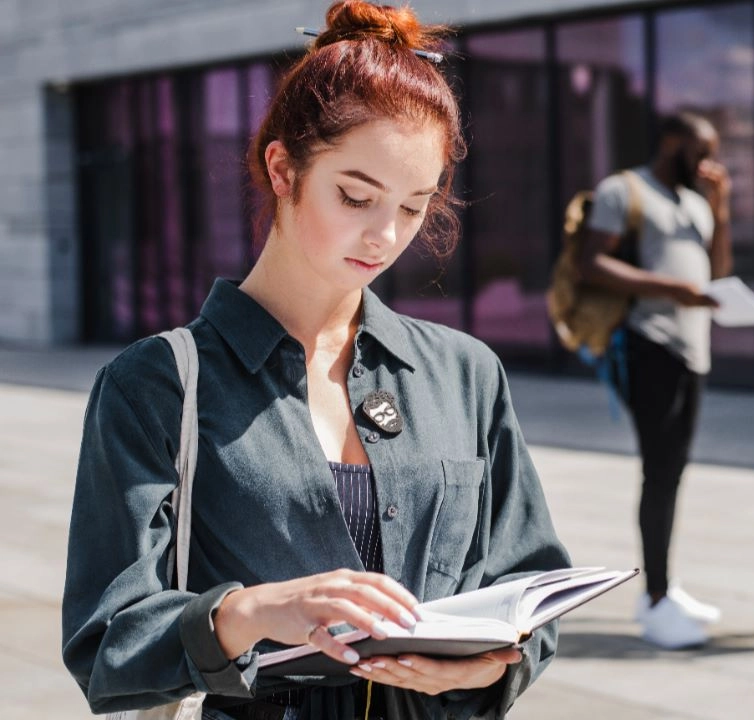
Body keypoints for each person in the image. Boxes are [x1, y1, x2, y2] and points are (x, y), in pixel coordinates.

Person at [61, 3, 571, 718]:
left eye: (415, 206)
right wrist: (252, 611)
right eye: (356, 196)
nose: (386, 235)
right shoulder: (156, 384)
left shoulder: (466, 372)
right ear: (282, 168)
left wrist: (477, 671)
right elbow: (107, 642)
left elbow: (534, 583)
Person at [577, 112, 733, 649]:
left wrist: (722, 210)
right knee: (660, 470)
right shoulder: (624, 190)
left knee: (674, 472)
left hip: (693, 351)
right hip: (650, 347)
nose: (708, 162)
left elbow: (717, 274)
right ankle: (656, 602)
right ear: (671, 142)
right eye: (700, 150)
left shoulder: (694, 202)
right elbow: (589, 263)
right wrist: (671, 290)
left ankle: (666, 587)